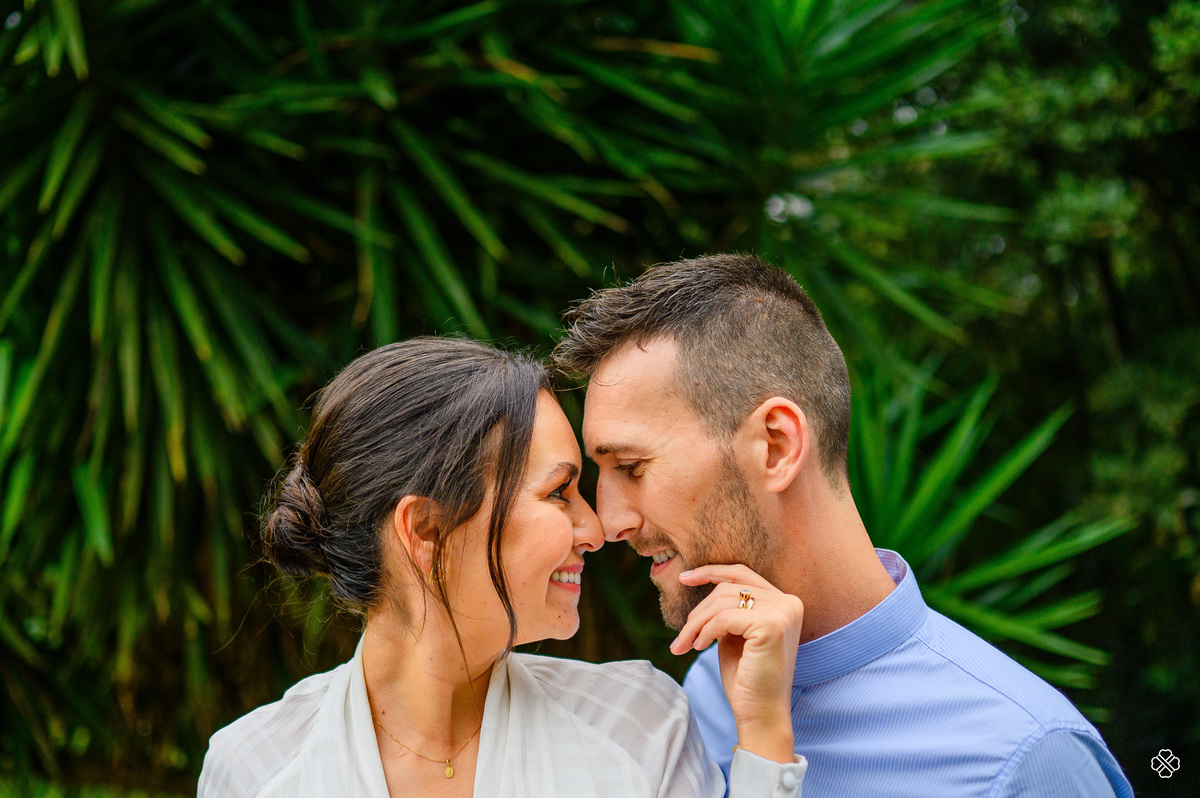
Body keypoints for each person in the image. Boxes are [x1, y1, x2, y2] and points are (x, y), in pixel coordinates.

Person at [553, 253, 1135, 797]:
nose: (609, 523)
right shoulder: (698, 699)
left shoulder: (1028, 761)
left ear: (776, 446)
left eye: (630, 467)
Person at [198, 337, 808, 797]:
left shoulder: (640, 727)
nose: (595, 530)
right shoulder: (254, 771)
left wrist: (763, 738)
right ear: (427, 531)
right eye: (558, 494)